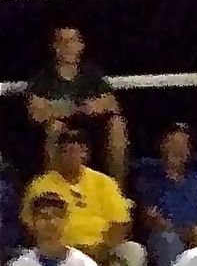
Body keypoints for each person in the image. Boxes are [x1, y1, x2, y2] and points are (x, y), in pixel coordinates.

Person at [21, 129, 149, 266]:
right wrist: (68, 250)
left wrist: (102, 249)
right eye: (65, 151)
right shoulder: (41, 185)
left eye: (75, 151)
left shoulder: (103, 182)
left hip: (103, 248)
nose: (70, 156)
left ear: (85, 154)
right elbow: (31, 226)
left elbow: (121, 223)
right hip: (59, 250)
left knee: (134, 250)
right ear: (57, 154)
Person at [25, 25, 129, 186]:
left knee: (117, 125)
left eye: (72, 41)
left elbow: (113, 104)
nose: (67, 46)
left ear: (81, 46)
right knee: (55, 128)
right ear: (54, 47)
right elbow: (36, 113)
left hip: (90, 131)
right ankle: (55, 191)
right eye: (62, 41)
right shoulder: (44, 77)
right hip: (60, 132)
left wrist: (97, 106)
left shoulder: (91, 73)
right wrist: (69, 109)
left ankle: (117, 191)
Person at [129, 123, 197, 266]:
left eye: (183, 145)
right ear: (161, 146)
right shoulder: (148, 180)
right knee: (166, 239)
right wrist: (185, 233)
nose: (177, 151)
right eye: (172, 144)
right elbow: (152, 219)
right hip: (172, 238)